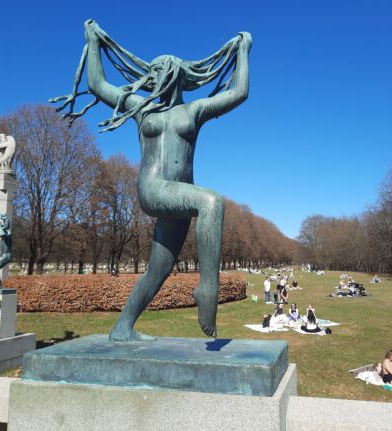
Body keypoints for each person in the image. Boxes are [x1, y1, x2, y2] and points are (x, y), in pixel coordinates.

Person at [53, 20, 251, 340]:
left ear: (174, 74)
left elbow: (239, 92)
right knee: (211, 201)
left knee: (157, 270)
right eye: (152, 70)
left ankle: (122, 328)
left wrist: (243, 50)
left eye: (160, 70)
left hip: (179, 198)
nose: (152, 76)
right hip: (153, 189)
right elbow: (97, 84)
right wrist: (93, 43)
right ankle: (207, 289)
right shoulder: (142, 109)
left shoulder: (194, 111)